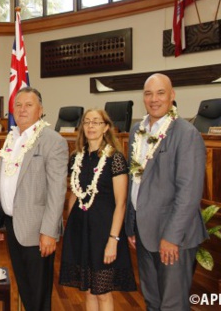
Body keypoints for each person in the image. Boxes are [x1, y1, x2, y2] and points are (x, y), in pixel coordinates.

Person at [125, 73, 207, 311]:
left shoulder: (186, 134)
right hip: (143, 233)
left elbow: (189, 193)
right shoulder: (136, 131)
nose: (154, 99)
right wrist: (132, 225)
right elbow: (135, 181)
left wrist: (172, 237)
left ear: (172, 96)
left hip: (173, 237)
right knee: (152, 301)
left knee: (173, 305)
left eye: (160, 93)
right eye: (148, 93)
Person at [0, 87, 68, 311]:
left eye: (29, 105)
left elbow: (57, 191)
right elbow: (4, 181)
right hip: (12, 224)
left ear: (40, 110)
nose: (22, 109)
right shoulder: (11, 138)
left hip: (37, 231)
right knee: (25, 288)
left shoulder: (53, 141)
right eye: (18, 105)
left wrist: (49, 231)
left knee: (38, 293)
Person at [59, 108, 136, 310]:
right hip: (79, 230)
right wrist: (69, 228)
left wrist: (113, 240)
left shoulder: (115, 159)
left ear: (106, 127)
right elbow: (74, 193)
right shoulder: (77, 157)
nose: (91, 126)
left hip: (104, 233)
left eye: (96, 122)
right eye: (87, 122)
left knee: (102, 292)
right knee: (87, 290)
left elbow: (121, 203)